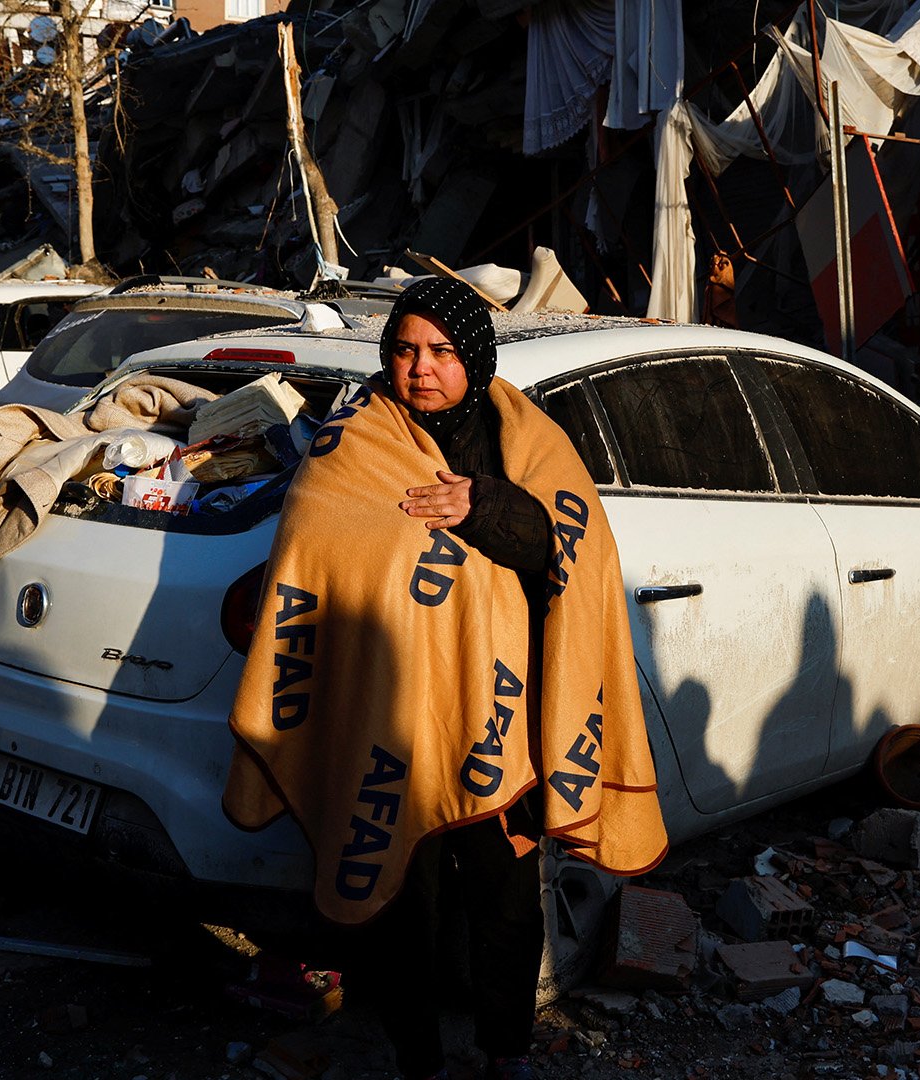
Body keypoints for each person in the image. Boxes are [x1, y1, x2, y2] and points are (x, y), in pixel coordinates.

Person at [223, 276, 670, 1080]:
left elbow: (570, 552)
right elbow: (316, 550)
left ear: (475, 356)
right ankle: (416, 1058)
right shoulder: (353, 440)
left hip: (505, 726)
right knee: (400, 906)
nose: (420, 368)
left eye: (440, 351)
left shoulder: (525, 438)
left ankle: (504, 1051)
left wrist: (483, 506)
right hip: (394, 730)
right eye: (403, 350)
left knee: (504, 902)